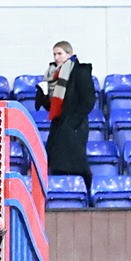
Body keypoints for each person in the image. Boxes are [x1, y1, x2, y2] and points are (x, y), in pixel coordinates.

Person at [35, 40, 95, 191]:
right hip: (59, 122)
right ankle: (60, 192)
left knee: (75, 161)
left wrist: (72, 122)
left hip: (74, 125)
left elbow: (88, 100)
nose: (56, 57)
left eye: (59, 53)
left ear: (69, 54)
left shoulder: (80, 71)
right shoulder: (52, 75)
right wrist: (43, 95)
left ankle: (83, 190)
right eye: (54, 54)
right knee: (56, 160)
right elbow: (53, 106)